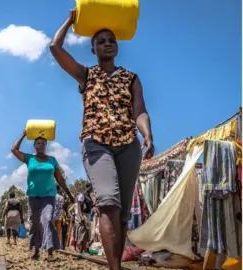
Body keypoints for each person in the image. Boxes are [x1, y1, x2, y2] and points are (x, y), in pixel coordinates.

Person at [49, 9, 155, 270]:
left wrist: (147, 135)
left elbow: (139, 111)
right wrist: (71, 21)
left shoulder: (131, 78)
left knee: (120, 216)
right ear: (93, 49)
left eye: (111, 40)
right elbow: (54, 47)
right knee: (108, 203)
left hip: (128, 145)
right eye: (100, 41)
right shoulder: (87, 75)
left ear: (117, 48)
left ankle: (115, 263)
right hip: (96, 144)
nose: (107, 43)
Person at [11, 130, 75, 261]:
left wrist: (69, 194)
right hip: (33, 197)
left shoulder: (52, 160)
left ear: (46, 146)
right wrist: (23, 135)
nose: (40, 145)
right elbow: (14, 150)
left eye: (43, 143)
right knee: (35, 224)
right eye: (38, 143)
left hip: (49, 196)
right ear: (34, 146)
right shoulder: (30, 159)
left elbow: (60, 179)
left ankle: (50, 252)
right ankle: (36, 250)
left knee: (46, 219)